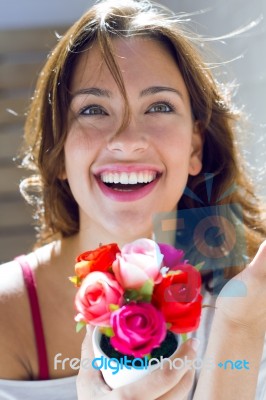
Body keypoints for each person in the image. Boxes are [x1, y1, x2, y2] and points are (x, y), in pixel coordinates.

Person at [0, 0, 265, 399]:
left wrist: (237, 331)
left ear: (195, 146)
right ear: (58, 153)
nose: (127, 141)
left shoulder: (249, 297)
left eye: (158, 106)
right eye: (93, 109)